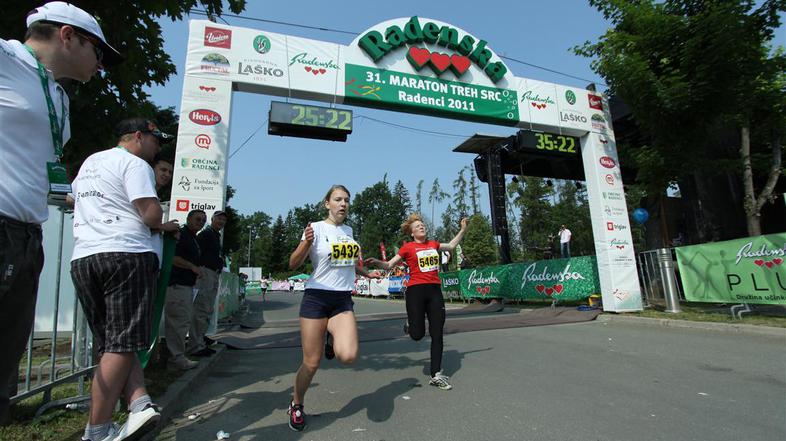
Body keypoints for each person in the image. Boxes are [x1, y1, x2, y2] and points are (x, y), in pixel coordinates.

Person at [0, 1, 122, 426]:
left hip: (28, 233)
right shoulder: (6, 57)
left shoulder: (58, 96)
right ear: (67, 36)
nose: (101, 65)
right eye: (98, 51)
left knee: (7, 354)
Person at [70, 118, 177, 441]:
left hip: (84, 257)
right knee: (122, 344)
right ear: (137, 137)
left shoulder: (90, 163)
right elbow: (150, 214)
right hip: (126, 254)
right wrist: (162, 220)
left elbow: (71, 199)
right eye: (155, 140)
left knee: (113, 343)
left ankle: (139, 402)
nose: (158, 148)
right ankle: (97, 430)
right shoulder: (135, 164)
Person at [286, 185, 380, 431]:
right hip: (316, 298)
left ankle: (331, 335)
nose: (343, 204)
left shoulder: (349, 231)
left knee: (348, 355)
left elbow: (347, 263)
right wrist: (306, 243)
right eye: (338, 199)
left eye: (347, 200)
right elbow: (293, 263)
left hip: (342, 299)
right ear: (327, 203)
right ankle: (296, 404)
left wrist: (367, 273)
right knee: (311, 363)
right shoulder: (315, 228)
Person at [365, 214, 468, 391]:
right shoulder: (407, 248)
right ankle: (410, 324)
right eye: (418, 226)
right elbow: (389, 265)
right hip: (415, 292)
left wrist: (463, 229)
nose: (422, 227)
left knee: (437, 333)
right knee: (417, 335)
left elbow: (451, 246)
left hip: (435, 291)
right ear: (412, 233)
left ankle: (436, 374)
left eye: (423, 225)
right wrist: (377, 262)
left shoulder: (433, 244)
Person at [164, 209, 206, 371]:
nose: (200, 222)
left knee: (182, 321)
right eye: (197, 219)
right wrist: (192, 267)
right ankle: (176, 358)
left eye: (203, 220)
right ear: (188, 219)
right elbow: (172, 257)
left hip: (186, 285)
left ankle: (177, 356)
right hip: (177, 284)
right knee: (178, 322)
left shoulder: (193, 237)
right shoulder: (182, 235)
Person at [188, 210, 227, 357]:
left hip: (213, 273)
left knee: (207, 309)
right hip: (205, 273)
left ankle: (201, 339)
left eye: (223, 220)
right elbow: (196, 253)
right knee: (201, 309)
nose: (221, 222)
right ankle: (195, 345)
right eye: (219, 219)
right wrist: (198, 269)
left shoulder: (215, 235)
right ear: (212, 219)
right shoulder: (206, 234)